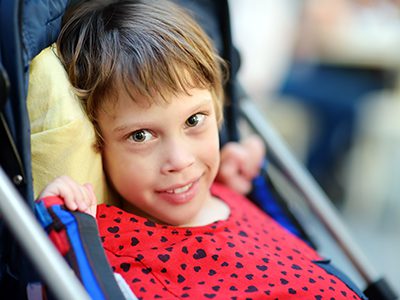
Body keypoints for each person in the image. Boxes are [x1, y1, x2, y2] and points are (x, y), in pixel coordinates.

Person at [38, 0, 366, 298]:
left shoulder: (232, 188)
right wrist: (61, 235)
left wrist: (250, 188)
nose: (180, 161)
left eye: (194, 120)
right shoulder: (102, 246)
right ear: (98, 144)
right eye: (141, 136)